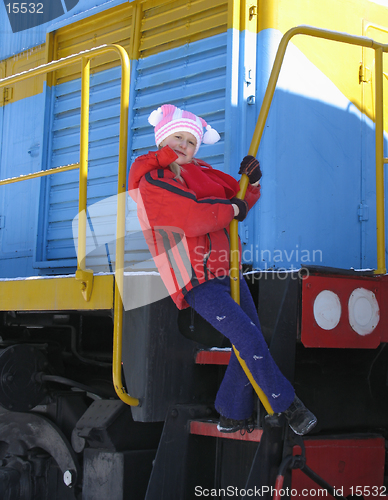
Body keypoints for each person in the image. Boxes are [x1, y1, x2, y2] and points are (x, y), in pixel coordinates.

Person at [128, 104, 317, 435]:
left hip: (226, 270)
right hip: (196, 280)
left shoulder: (202, 172)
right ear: (161, 140)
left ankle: (231, 412)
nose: (184, 146)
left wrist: (251, 183)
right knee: (247, 336)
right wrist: (232, 207)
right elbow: (191, 216)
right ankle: (288, 406)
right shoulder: (153, 181)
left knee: (251, 338)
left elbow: (237, 200)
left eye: (191, 141)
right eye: (178, 138)